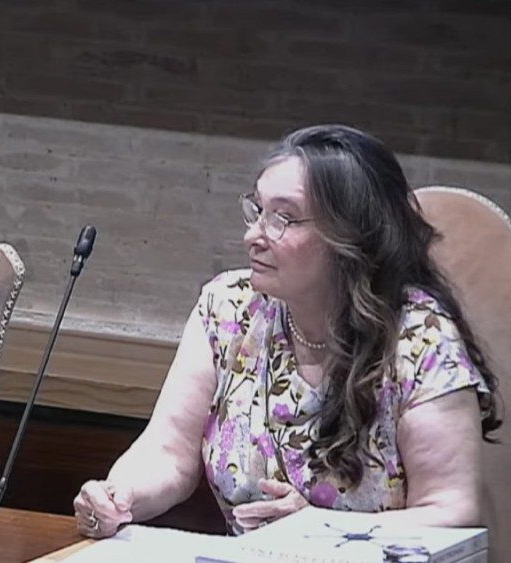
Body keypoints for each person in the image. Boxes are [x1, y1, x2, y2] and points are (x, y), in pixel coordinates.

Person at [74, 125, 500, 537]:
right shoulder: (228, 308)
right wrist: (120, 496)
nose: (253, 235)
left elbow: (452, 510)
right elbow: (167, 453)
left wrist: (318, 530)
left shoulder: (421, 337)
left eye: (284, 218)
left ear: (350, 236)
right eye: (257, 210)